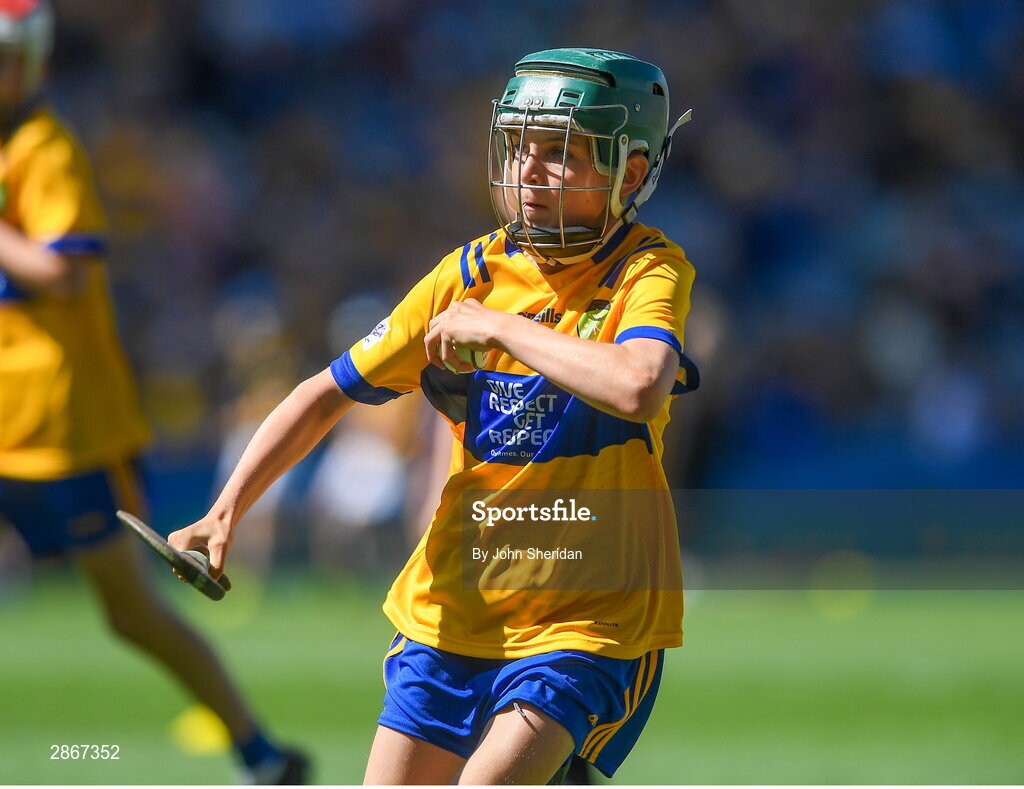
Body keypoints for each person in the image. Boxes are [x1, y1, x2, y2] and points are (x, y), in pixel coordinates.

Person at [171, 47, 699, 785]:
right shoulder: (467, 273)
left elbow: (640, 385)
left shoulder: (648, 268)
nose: (529, 173)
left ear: (631, 173)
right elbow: (326, 392)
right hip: (451, 612)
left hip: (587, 621)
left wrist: (504, 329)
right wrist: (227, 508)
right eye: (520, 148)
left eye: (560, 153)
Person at [0, 2, 307, 783]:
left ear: (31, 62)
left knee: (129, 609)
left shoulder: (43, 148)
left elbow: (64, 269)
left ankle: (255, 745)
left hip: (59, 427)